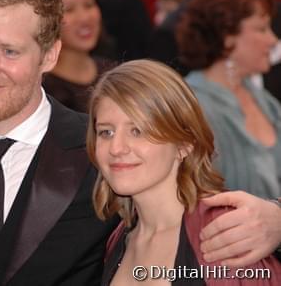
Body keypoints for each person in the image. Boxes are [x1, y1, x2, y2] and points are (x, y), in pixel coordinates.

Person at [0, 0, 281, 285]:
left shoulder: (106, 154)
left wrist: (277, 218)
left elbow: (187, 210)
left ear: (50, 55)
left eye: (9, 51)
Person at [87, 59, 281, 285]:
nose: (117, 148)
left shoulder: (225, 233)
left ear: (184, 144)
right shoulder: (119, 238)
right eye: (106, 132)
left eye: (137, 130)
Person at [177, 0, 281, 199]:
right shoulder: (193, 106)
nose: (273, 40)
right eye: (261, 29)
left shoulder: (264, 101)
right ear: (227, 37)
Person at [43, 0, 114, 113]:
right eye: (69, 10)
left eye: (89, 5)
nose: (84, 18)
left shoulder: (113, 72)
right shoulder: (41, 90)